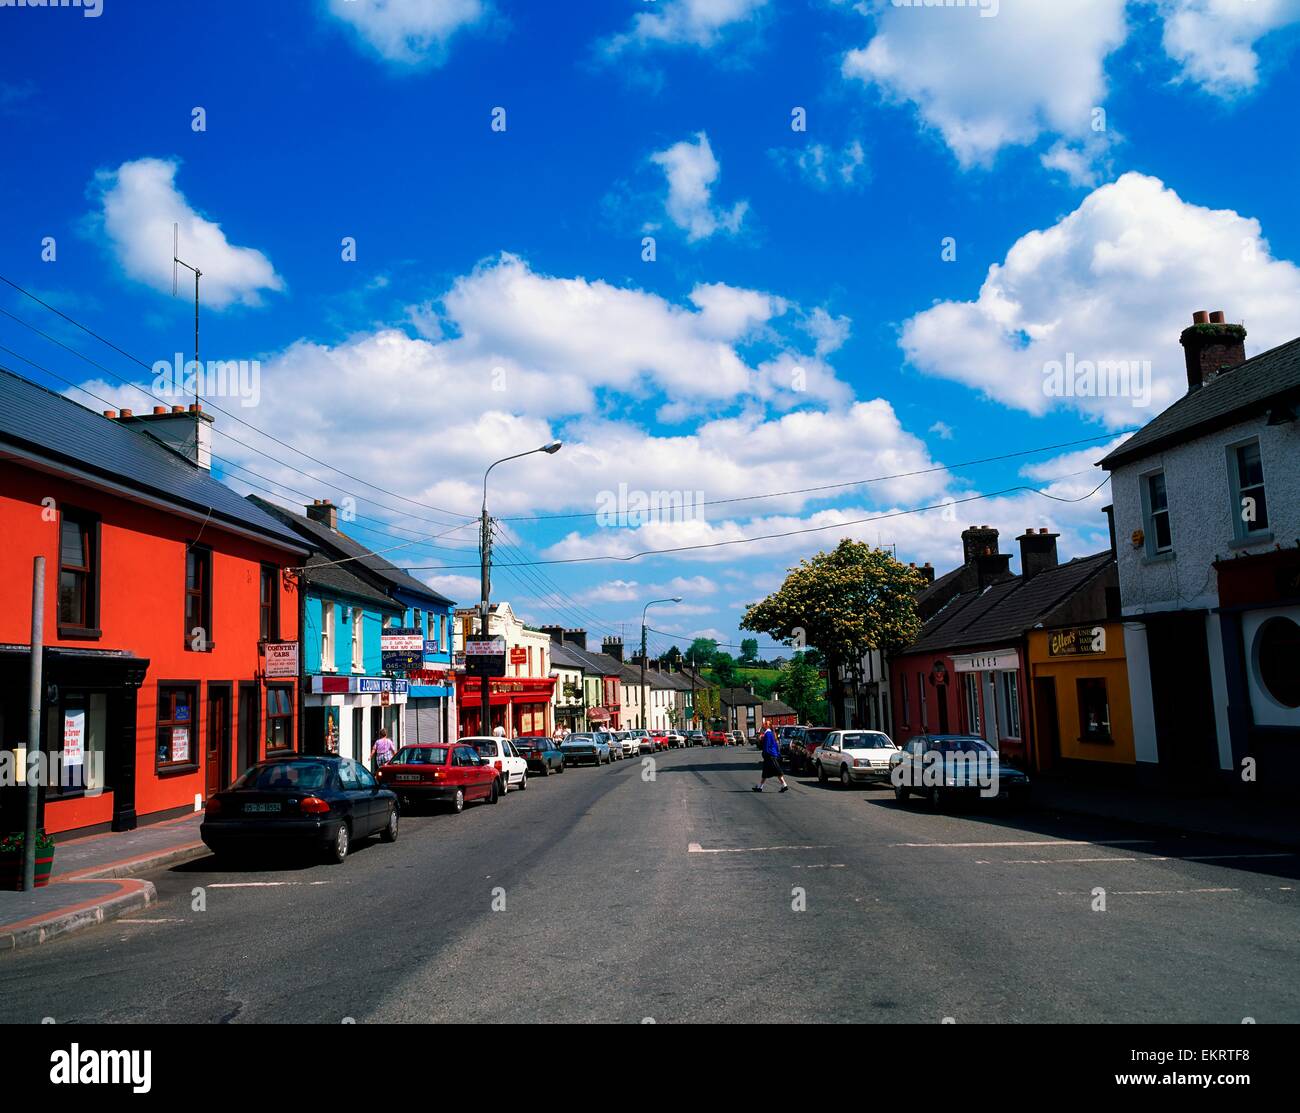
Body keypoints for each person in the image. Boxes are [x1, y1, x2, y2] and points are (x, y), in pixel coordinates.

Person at [753, 719, 789, 793]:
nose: (764, 724)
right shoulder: (769, 733)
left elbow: (767, 746)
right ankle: (760, 787)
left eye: (765, 723)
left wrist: (765, 754)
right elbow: (775, 744)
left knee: (777, 771)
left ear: (768, 726)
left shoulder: (768, 734)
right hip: (771, 755)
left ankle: (784, 785)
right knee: (766, 772)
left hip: (770, 755)